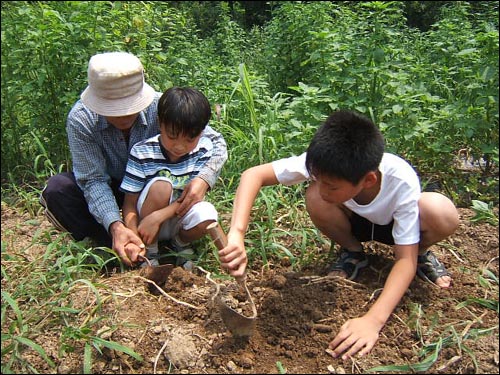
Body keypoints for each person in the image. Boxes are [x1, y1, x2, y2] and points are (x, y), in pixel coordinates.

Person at [218, 109, 459, 359]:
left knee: (440, 212)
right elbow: (253, 175)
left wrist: (372, 322)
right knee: (314, 197)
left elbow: (403, 261)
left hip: (394, 226)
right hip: (355, 221)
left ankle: (422, 252)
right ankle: (353, 252)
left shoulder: (401, 180)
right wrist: (236, 233)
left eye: (331, 185)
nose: (322, 188)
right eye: (317, 178)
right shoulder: (325, 162)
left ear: (368, 180)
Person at [39, 52, 227, 267]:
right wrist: (117, 226)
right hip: (113, 187)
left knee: (161, 185)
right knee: (58, 190)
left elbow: (216, 142)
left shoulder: (161, 107)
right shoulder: (82, 119)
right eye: (113, 109)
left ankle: (158, 240)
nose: (124, 116)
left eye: (130, 106)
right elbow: (93, 181)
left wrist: (204, 179)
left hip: (154, 187)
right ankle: (118, 242)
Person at [120, 87, 220, 269]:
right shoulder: (143, 152)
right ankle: (149, 250)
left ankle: (180, 243)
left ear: (202, 132)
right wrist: (134, 235)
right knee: (161, 186)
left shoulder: (203, 150)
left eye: (190, 140)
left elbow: (194, 198)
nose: (180, 146)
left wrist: (159, 217)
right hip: (147, 219)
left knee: (208, 214)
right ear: (160, 124)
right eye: (172, 136)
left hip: (178, 217)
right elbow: (129, 203)